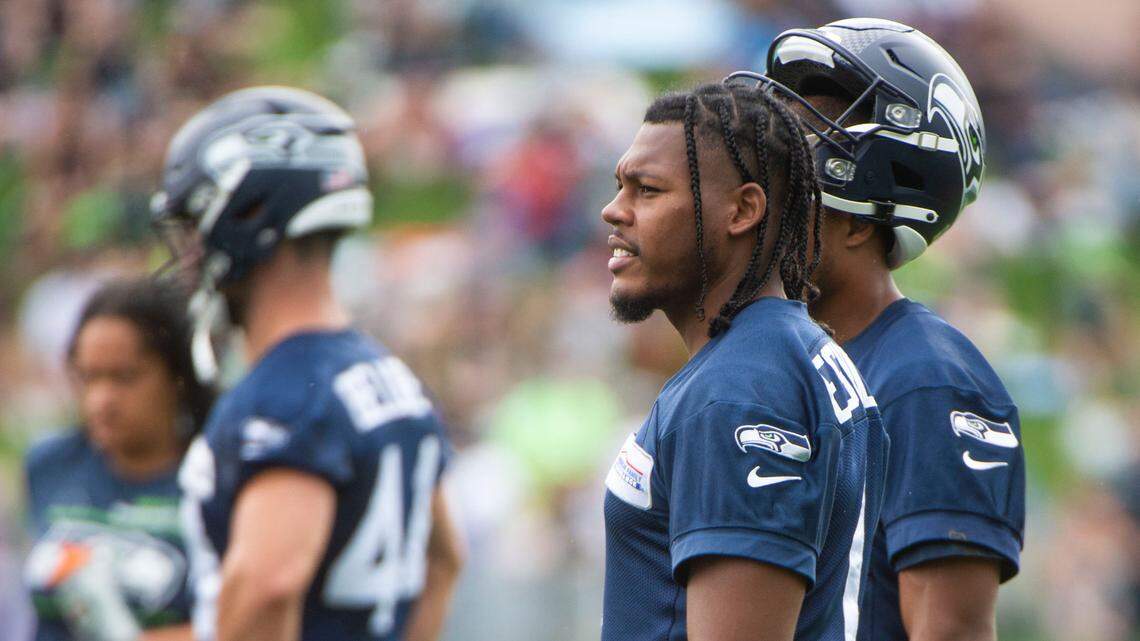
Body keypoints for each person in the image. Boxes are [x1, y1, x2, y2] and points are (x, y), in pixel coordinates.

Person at [730, 17, 1026, 641]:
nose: (763, 188)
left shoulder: (927, 382)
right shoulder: (783, 360)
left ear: (861, 222)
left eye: (799, 162)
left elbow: (953, 629)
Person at [150, 86, 464, 641]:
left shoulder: (285, 396)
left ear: (245, 215)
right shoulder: (388, 375)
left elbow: (268, 587)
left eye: (196, 227)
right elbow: (443, 560)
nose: (190, 254)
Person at [599, 80, 887, 641]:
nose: (615, 210)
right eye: (619, 186)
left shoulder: (739, 390)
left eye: (647, 190)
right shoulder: (786, 351)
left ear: (742, 210)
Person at [23, 277, 214, 641]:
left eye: (124, 378)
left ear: (176, 376)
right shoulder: (51, 465)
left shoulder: (209, 479)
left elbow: (241, 624)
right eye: (88, 378)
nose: (101, 400)